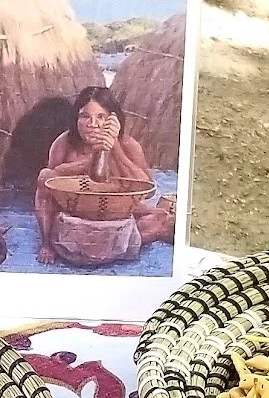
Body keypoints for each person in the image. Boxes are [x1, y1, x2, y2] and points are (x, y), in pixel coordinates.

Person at [34, 86, 175, 267]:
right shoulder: (64, 142)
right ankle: (48, 244)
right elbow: (49, 183)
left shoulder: (128, 145)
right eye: (85, 116)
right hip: (75, 222)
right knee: (43, 176)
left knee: (162, 219)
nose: (92, 124)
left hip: (115, 220)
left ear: (112, 121)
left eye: (101, 117)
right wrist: (90, 162)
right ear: (76, 119)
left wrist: (114, 147)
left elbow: (147, 190)